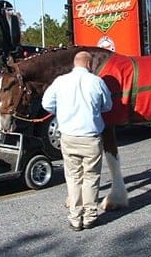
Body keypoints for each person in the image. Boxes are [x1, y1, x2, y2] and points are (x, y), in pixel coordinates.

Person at [42, 51, 113, 231]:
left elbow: (46, 104)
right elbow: (108, 106)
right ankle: (90, 216)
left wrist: (61, 111)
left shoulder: (60, 81)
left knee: (73, 177)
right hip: (90, 137)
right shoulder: (97, 82)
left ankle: (75, 218)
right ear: (89, 65)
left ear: (75, 64)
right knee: (91, 176)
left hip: (68, 136)